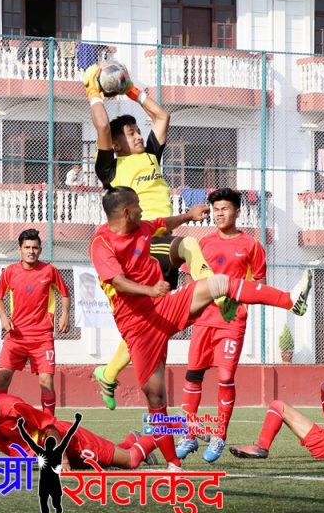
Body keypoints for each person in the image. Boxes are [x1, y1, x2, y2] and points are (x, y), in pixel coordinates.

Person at [89, 187, 311, 469]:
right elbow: (118, 281)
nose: (142, 211)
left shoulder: (142, 226)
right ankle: (173, 463)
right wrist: (150, 289)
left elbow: (162, 223)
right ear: (126, 212)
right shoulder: (101, 243)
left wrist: (188, 216)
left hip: (165, 306)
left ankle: (290, 301)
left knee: (219, 283)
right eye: (138, 206)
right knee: (156, 398)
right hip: (138, 327)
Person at [84, 63, 226, 411]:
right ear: (116, 143)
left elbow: (162, 116)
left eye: (137, 130)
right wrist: (93, 92)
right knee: (189, 245)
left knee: (154, 324)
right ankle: (220, 295)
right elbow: (101, 125)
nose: (137, 135)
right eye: (130, 132)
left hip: (162, 235)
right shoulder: (111, 168)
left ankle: (110, 374)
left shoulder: (149, 156)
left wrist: (132, 89)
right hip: (143, 244)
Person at [175, 189, 267, 463]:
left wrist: (241, 304)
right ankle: (188, 435)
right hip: (203, 321)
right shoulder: (203, 243)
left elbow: (259, 284)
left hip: (231, 322)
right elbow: (189, 278)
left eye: (224, 209)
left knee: (225, 377)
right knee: (193, 376)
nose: (219, 214)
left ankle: (219, 435)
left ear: (237, 211)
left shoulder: (251, 245)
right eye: (216, 210)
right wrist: (190, 308)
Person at [0, 374, 158, 471]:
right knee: (106, 461)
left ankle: (157, 434)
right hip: (50, 457)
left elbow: (49, 427)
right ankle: (131, 439)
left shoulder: (13, 407)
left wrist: (62, 460)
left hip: (69, 442)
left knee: (131, 462)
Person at [0, 228, 70, 416]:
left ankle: (48, 424)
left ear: (40, 250)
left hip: (42, 337)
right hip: (16, 336)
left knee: (46, 381)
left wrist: (65, 314)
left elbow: (65, 294)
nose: (31, 251)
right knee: (3, 378)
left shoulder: (50, 271)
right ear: (19, 249)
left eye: (35, 248)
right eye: (27, 247)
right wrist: (3, 316)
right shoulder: (10, 272)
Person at [18, 413, 81, 513]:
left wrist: (20, 427)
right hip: (47, 483)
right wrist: (77, 421)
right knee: (43, 503)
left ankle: (57, 506)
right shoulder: (55, 452)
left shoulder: (45, 452)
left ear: (47, 445)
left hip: (50, 482)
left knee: (55, 502)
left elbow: (28, 440)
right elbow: (68, 436)